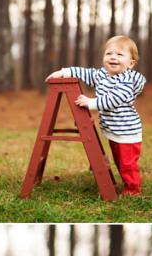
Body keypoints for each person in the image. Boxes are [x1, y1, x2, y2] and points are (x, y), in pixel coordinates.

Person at [47, 35, 146, 195]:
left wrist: (91, 103)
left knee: (127, 164)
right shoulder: (102, 75)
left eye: (120, 55)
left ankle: (133, 190)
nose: (113, 57)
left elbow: (113, 100)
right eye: (109, 53)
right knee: (119, 162)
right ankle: (127, 182)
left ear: (131, 63)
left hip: (127, 132)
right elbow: (85, 73)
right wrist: (64, 72)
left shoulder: (126, 81)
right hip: (114, 130)